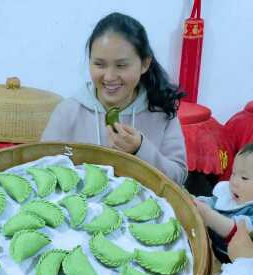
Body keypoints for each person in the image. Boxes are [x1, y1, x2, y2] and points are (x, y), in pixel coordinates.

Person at [41, 12, 187, 184]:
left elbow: (178, 178)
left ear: (145, 64)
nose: (109, 77)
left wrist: (140, 148)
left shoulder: (161, 111)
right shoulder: (68, 111)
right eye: (99, 64)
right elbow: (43, 169)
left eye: (121, 65)